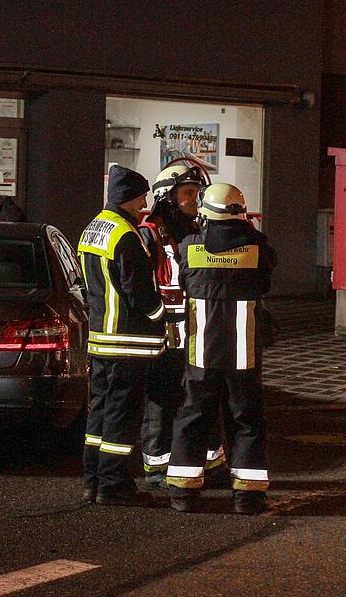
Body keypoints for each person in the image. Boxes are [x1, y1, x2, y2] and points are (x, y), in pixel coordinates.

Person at [166, 183, 276, 515]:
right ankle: (248, 497)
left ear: (205, 216)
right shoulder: (257, 247)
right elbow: (266, 283)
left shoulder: (189, 246)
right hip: (243, 352)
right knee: (246, 419)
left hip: (201, 351)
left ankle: (184, 494)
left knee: (193, 417)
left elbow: (184, 282)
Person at [77, 164, 167, 507]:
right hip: (127, 340)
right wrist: (160, 314)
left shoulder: (93, 229)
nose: (144, 202)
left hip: (101, 338)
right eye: (141, 196)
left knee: (98, 414)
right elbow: (139, 291)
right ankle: (114, 484)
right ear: (128, 197)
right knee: (122, 416)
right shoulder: (125, 236)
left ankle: (93, 481)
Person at [137, 166, 226, 487]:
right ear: (167, 196)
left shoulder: (201, 230)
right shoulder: (150, 233)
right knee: (162, 401)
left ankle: (209, 463)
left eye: (197, 192)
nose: (195, 198)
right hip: (165, 331)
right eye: (187, 193)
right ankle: (158, 467)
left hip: (199, 331)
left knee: (202, 397)